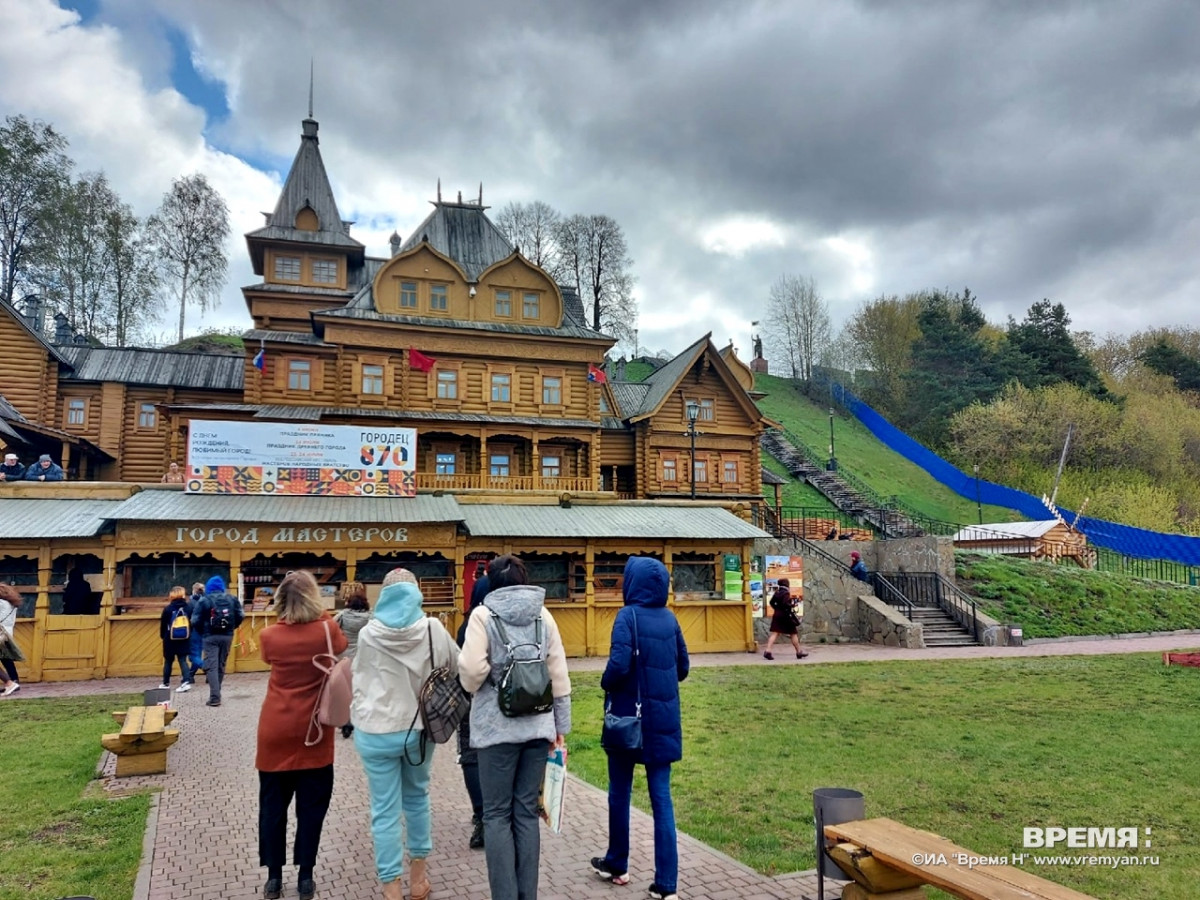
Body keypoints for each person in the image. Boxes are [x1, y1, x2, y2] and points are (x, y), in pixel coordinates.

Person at [459, 554, 572, 900]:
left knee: (496, 815)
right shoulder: (543, 614)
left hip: (496, 731)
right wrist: (560, 726)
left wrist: (482, 682)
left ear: (491, 582)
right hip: (538, 727)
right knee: (525, 811)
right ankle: (527, 894)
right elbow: (559, 675)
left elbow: (472, 670)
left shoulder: (482, 615)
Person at [351, 567, 459, 900]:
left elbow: (360, 676)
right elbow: (457, 666)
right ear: (416, 594)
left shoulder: (369, 633)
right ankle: (419, 881)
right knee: (417, 800)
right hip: (418, 732)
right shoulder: (433, 628)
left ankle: (390, 889)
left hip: (374, 731)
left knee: (383, 810)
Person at [591, 557, 690, 900]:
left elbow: (618, 666)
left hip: (627, 720)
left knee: (620, 793)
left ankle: (617, 862)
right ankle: (667, 884)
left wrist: (606, 682)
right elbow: (683, 668)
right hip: (662, 723)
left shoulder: (627, 616)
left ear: (632, 583)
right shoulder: (670, 619)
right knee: (662, 800)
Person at [256, 570, 347, 900]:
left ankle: (274, 878)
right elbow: (340, 644)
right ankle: (306, 875)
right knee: (312, 807)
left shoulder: (269, 637)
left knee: (272, 806)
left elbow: (268, 660)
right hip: (315, 730)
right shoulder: (327, 629)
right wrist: (318, 610)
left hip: (275, 729)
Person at [457, 572, 491, 850]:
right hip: (507, 704)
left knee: (471, 756)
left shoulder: (468, 625)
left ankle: (482, 815)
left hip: (471, 699)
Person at [191, 575, 244, 707]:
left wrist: (203, 631)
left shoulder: (204, 600)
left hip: (210, 636)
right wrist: (232, 627)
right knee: (221, 664)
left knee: (211, 666)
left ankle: (215, 697)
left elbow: (195, 620)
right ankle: (217, 693)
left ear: (209, 587)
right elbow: (241, 615)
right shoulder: (232, 599)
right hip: (227, 636)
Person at [333, 580, 370, 739]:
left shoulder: (341, 616)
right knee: (360, 691)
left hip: (343, 657)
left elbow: (332, 629)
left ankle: (344, 721)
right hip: (362, 658)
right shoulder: (370, 617)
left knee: (344, 691)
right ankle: (359, 719)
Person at [158, 586, 195, 692]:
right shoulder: (188, 608)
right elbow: (192, 622)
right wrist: (189, 634)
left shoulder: (168, 609)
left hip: (170, 638)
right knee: (183, 660)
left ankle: (166, 683)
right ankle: (186, 682)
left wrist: (163, 636)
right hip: (184, 638)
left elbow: (163, 625)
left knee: (168, 661)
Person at [763, 577, 807, 660]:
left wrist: (776, 608)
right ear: (787, 584)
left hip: (777, 615)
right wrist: (792, 605)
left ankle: (767, 651)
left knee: (775, 633)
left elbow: (771, 602)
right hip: (786, 616)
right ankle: (799, 652)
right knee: (793, 633)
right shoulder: (786, 593)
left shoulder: (777, 592)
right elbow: (785, 604)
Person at [0, 583, 24, 696]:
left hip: (1, 633)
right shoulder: (12, 605)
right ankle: (14, 681)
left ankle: (10, 683)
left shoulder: (1, 603)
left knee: (5, 659)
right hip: (7, 634)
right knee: (6, 659)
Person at [187, 582, 206, 677]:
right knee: (201, 654)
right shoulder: (208, 600)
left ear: (193, 590)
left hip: (195, 630)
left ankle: (207, 668)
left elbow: (188, 617)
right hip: (207, 630)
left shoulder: (191, 603)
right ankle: (191, 675)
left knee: (193, 655)